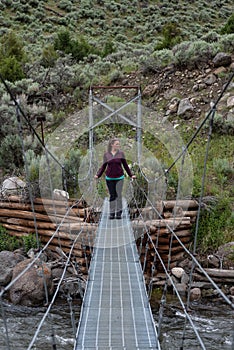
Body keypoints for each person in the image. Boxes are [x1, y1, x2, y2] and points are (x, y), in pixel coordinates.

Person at [94, 138, 136, 219]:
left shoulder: (121, 154)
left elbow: (125, 165)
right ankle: (112, 213)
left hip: (119, 177)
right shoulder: (106, 154)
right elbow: (103, 166)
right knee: (112, 196)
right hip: (109, 178)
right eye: (117, 144)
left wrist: (131, 175)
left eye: (118, 144)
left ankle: (119, 213)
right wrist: (98, 175)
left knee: (118, 195)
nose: (118, 145)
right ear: (111, 145)